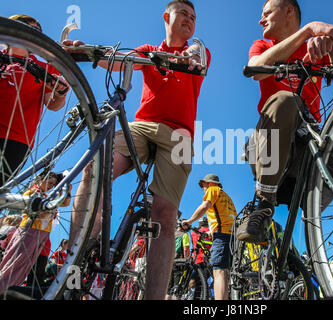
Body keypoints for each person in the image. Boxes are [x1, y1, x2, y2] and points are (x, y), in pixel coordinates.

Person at [65, 0, 210, 300]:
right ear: (167, 17)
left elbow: (199, 58)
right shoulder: (147, 50)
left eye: (193, 17)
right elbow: (119, 59)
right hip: (143, 126)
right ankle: (77, 255)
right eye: (184, 13)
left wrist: (189, 58)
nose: (190, 20)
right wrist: (86, 50)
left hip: (180, 135)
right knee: (96, 167)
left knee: (165, 214)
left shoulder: (198, 49)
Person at [236, 0, 333, 243]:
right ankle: (264, 202)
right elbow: (256, 69)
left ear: (288, 11)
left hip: (309, 142)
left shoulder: (314, 48)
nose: (261, 20)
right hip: (271, 146)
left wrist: (332, 45)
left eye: (267, 12)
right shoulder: (262, 45)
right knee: (286, 100)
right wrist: (309, 29)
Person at [0, 15, 70, 185]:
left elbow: (53, 105)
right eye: (23, 27)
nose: (28, 34)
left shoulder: (44, 68)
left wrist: (60, 92)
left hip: (15, 141)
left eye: (35, 33)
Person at [0, 171, 71, 294]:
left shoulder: (45, 195)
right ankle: (3, 290)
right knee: (13, 266)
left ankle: (7, 292)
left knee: (21, 270)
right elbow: (41, 211)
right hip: (30, 231)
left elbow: (65, 202)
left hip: (40, 235)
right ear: (40, 180)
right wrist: (51, 208)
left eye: (52, 185)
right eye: (48, 183)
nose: (50, 186)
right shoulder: (33, 192)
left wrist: (67, 189)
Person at [183, 174, 237, 300]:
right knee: (226, 272)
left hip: (222, 234)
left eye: (203, 185)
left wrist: (189, 221)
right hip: (232, 235)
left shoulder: (212, 190)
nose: (203, 188)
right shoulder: (226, 196)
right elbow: (226, 217)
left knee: (219, 271)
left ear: (209, 183)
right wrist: (211, 231)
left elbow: (204, 206)